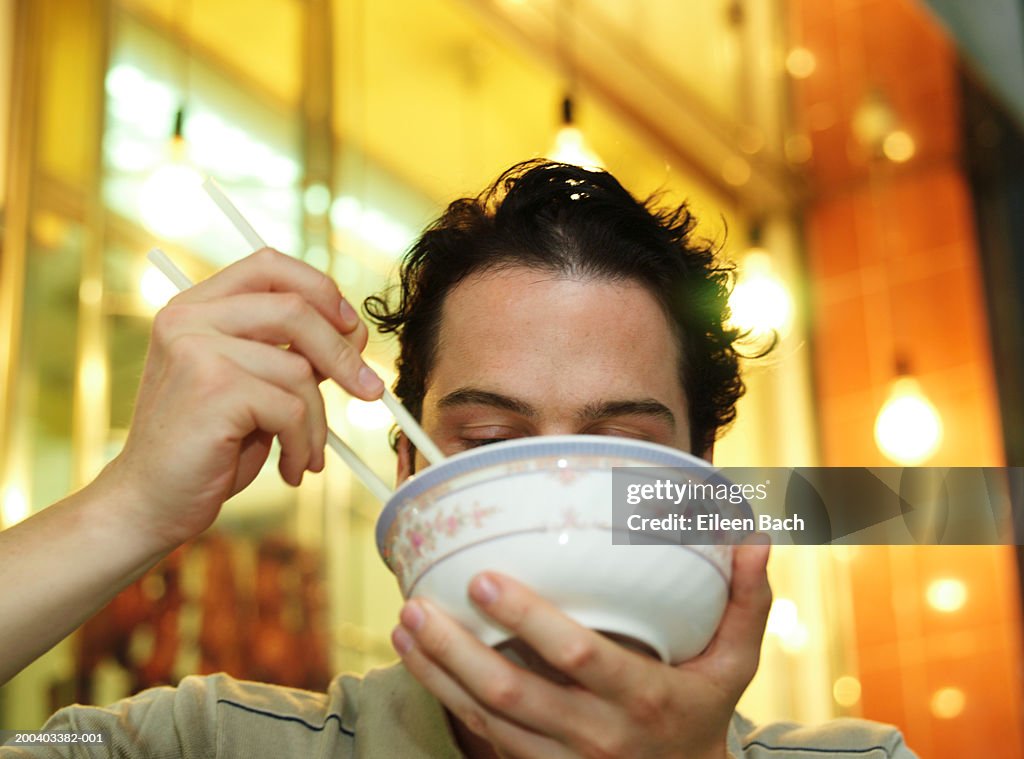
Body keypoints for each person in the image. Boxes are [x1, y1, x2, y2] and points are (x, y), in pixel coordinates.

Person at [0, 161, 916, 757]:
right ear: (408, 477)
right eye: (486, 443)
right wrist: (123, 509)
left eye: (619, 451)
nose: (556, 508)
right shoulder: (205, 743)